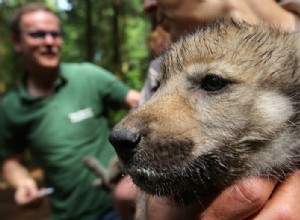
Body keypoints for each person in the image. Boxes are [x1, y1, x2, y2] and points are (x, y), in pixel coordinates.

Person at [137, 0, 300, 219]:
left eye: (212, 82)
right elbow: (141, 204)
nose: (147, 6)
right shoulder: (161, 65)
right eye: (158, 87)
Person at [0, 3, 140, 220]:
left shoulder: (88, 76)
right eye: (37, 34)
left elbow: (140, 102)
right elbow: (11, 161)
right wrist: (22, 182)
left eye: (55, 34)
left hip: (117, 207)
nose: (49, 42)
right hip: (66, 214)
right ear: (17, 42)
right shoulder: (11, 107)